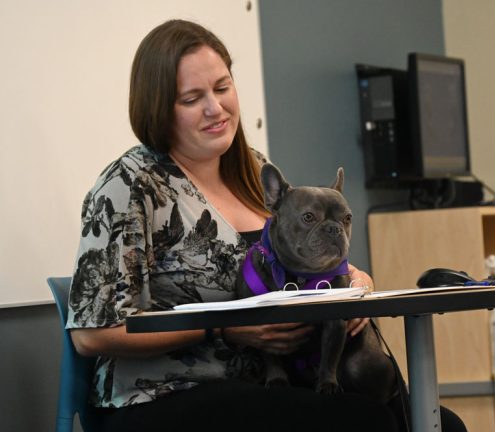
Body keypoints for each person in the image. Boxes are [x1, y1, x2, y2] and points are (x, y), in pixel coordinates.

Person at [66, 19, 466, 432]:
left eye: (222, 88)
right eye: (191, 98)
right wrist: (221, 329)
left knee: (440, 424)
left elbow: (297, 261)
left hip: (273, 381)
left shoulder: (253, 168)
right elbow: (92, 335)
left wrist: (347, 283)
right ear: (158, 107)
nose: (215, 108)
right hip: (165, 394)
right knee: (363, 423)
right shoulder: (130, 185)